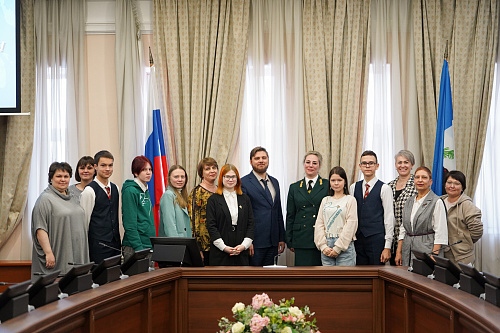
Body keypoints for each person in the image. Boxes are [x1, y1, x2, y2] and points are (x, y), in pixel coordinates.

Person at [31, 162, 89, 280]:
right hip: (58, 257)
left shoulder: (73, 196)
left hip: (78, 255)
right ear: (51, 178)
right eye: (59, 176)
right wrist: (48, 253)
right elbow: (40, 229)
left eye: (66, 176)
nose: (63, 179)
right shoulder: (45, 199)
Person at [395, 167, 448, 266]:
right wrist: (398, 252)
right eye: (417, 177)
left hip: (427, 250)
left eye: (424, 177)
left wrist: (434, 255)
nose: (420, 180)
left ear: (430, 181)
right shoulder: (409, 201)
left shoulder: (436, 201)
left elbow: (441, 232)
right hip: (407, 249)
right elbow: (403, 229)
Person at [349, 150, 395, 265]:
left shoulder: (385, 188)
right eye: (364, 163)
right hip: (358, 240)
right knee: (360, 277)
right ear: (360, 166)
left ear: (377, 166)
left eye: (371, 163)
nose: (367, 166)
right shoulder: (354, 187)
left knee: (376, 275)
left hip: (377, 240)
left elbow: (389, 217)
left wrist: (387, 246)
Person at [241, 147, 285, 266]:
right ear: (251, 161)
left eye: (264, 158)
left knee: (270, 280)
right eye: (257, 158)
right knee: (254, 280)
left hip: (273, 241)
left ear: (268, 160)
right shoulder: (243, 182)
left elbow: (278, 211)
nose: (261, 161)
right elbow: (243, 216)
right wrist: (247, 241)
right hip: (255, 242)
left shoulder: (275, 182)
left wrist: (281, 237)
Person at [206, 164, 255, 266]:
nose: (230, 179)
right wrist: (224, 247)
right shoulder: (213, 200)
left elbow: (251, 224)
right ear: (221, 178)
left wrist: (243, 246)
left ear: (237, 179)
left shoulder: (245, 199)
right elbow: (211, 226)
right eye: (227, 176)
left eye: (233, 176)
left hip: (241, 252)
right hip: (220, 252)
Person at [286, 151, 328, 266]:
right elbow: (290, 215)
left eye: (314, 163)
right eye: (308, 162)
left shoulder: (326, 185)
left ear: (319, 166)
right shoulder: (294, 187)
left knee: (319, 277)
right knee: (302, 277)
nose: (310, 165)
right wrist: (289, 239)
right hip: (301, 238)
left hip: (320, 237)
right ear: (304, 164)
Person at [80, 150, 121, 264]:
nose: (107, 169)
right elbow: (84, 223)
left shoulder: (115, 188)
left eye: (110, 165)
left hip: (115, 245)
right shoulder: (89, 191)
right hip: (98, 247)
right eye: (103, 165)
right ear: (95, 167)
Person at [314, 166, 358, 266]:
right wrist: (323, 246)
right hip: (326, 246)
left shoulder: (350, 200)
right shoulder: (325, 200)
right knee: (328, 281)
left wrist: (338, 248)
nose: (336, 183)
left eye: (339, 180)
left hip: (344, 246)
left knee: (344, 280)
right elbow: (319, 224)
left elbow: (351, 226)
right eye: (333, 180)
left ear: (345, 181)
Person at [442, 170, 483, 266]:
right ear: (445, 185)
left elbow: (477, 231)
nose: (452, 186)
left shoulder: (467, 205)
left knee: (463, 281)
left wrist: (464, 241)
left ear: (462, 188)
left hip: (462, 256)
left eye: (456, 183)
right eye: (449, 182)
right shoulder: (440, 202)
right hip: (443, 253)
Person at [121, 156, 156, 262]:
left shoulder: (145, 189)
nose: (148, 173)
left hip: (148, 244)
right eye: (144, 170)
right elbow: (129, 223)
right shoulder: (130, 191)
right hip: (135, 247)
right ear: (136, 172)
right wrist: (139, 248)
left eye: (150, 169)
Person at [387, 150, 417, 265]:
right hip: (392, 240)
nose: (403, 165)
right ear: (395, 165)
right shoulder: (388, 186)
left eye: (406, 162)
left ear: (412, 165)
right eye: (399, 162)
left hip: (411, 241)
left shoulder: (417, 184)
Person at [188, 157, 218, 266]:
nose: (212, 171)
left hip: (221, 243)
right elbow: (193, 222)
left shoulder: (221, 190)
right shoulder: (197, 192)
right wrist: (197, 248)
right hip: (205, 245)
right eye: (207, 169)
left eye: (214, 168)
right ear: (201, 173)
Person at [159, 165, 191, 237]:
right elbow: (170, 226)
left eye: (182, 177)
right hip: (175, 244)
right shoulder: (168, 195)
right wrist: (177, 244)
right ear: (169, 178)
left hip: (184, 242)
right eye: (176, 177)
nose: (180, 180)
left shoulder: (181, 195)